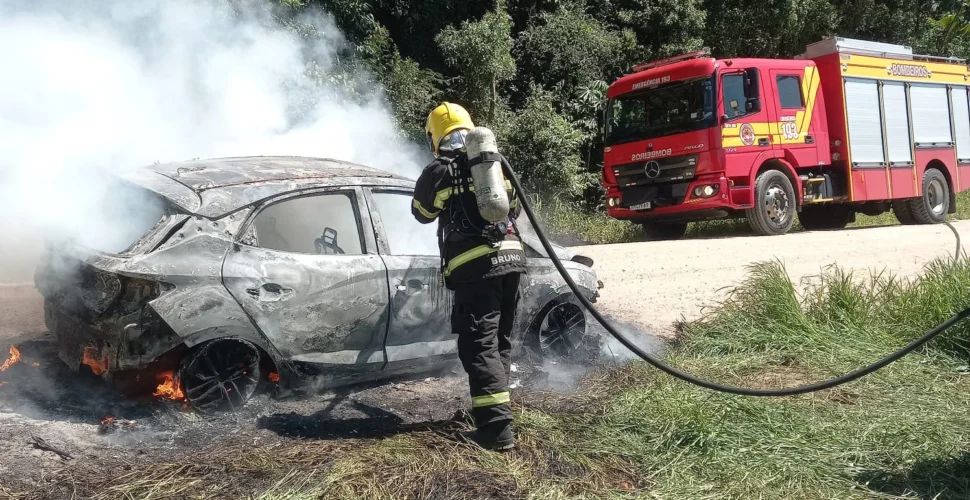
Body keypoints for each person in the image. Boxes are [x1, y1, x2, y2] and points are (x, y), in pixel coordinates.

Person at [411, 101, 527, 451]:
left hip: (476, 270)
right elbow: (516, 207)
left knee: (478, 346)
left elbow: (421, 212)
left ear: (435, 136)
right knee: (497, 342)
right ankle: (498, 416)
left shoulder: (439, 170)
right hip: (512, 263)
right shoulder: (493, 163)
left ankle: (495, 433)